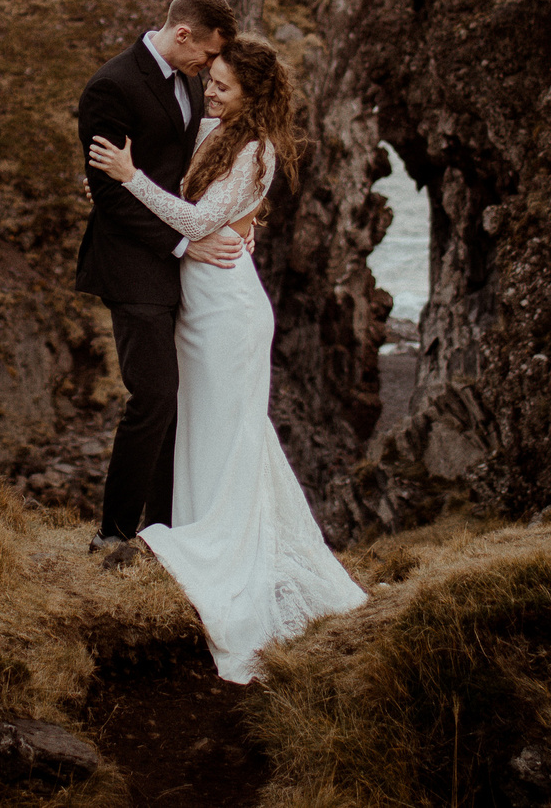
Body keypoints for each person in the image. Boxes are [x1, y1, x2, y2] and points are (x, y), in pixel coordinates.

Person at [87, 36, 368, 683]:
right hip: (201, 307)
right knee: (206, 426)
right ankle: (203, 529)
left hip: (228, 314)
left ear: (252, 96)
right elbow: (183, 193)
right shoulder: (215, 131)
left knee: (229, 429)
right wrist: (111, 183)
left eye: (221, 86)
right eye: (209, 79)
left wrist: (130, 179)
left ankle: (227, 549)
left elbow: (194, 220)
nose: (207, 91)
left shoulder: (256, 149)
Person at [75, 0, 246, 550]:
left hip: (179, 269)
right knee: (153, 398)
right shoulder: (112, 85)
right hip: (131, 265)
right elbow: (109, 193)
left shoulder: (191, 80)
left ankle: (163, 531)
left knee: (175, 404)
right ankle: (114, 534)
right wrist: (182, 243)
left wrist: (238, 217)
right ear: (183, 35)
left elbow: (182, 166)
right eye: (207, 55)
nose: (210, 68)